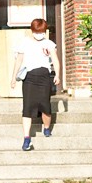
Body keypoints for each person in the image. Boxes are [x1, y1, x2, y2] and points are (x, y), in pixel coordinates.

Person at [10, 18, 61, 151]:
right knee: (27, 107)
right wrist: (13, 77)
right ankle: (26, 138)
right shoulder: (25, 42)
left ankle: (47, 128)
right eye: (37, 32)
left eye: (42, 32)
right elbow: (19, 60)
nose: (40, 34)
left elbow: (55, 60)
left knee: (45, 105)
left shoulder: (49, 43)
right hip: (29, 77)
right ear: (32, 31)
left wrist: (58, 75)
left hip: (44, 77)